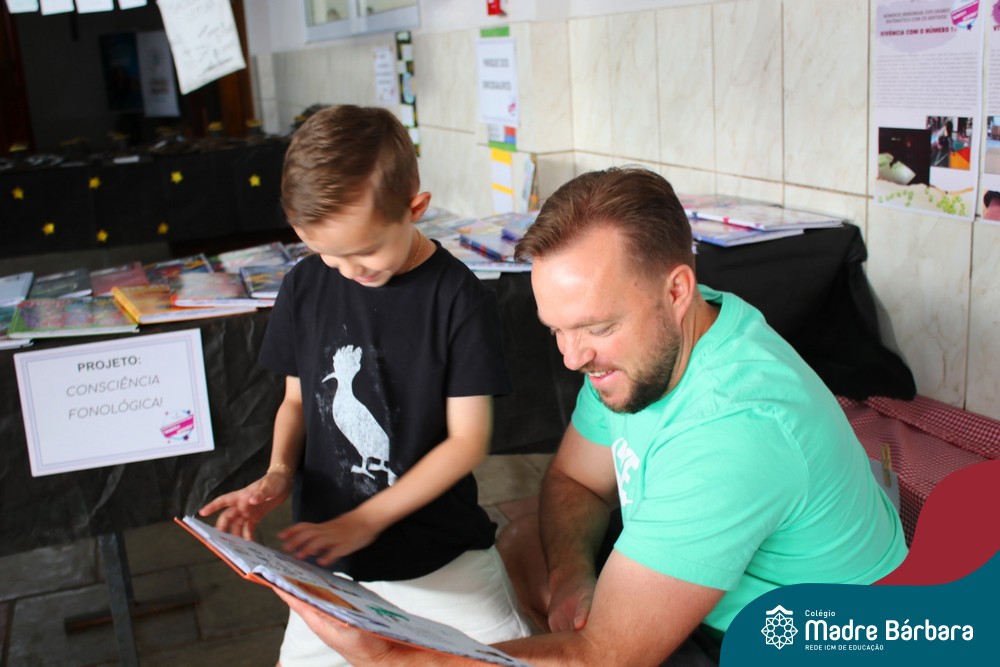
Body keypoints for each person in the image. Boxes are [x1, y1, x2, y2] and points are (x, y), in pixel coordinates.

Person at [265, 166, 909, 666]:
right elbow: (576, 478)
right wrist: (574, 573)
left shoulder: (732, 430)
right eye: (557, 329)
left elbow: (605, 656)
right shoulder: (669, 336)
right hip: (725, 596)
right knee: (526, 546)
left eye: (597, 328)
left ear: (676, 290)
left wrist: (392, 656)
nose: (573, 357)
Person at [198, 104, 532, 666]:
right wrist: (277, 475)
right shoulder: (305, 285)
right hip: (329, 565)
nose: (349, 268)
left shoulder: (458, 300)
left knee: (507, 659)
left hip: (442, 561)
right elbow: (297, 402)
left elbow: (467, 441)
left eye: (366, 250)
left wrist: (366, 520)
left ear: (416, 208)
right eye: (328, 252)